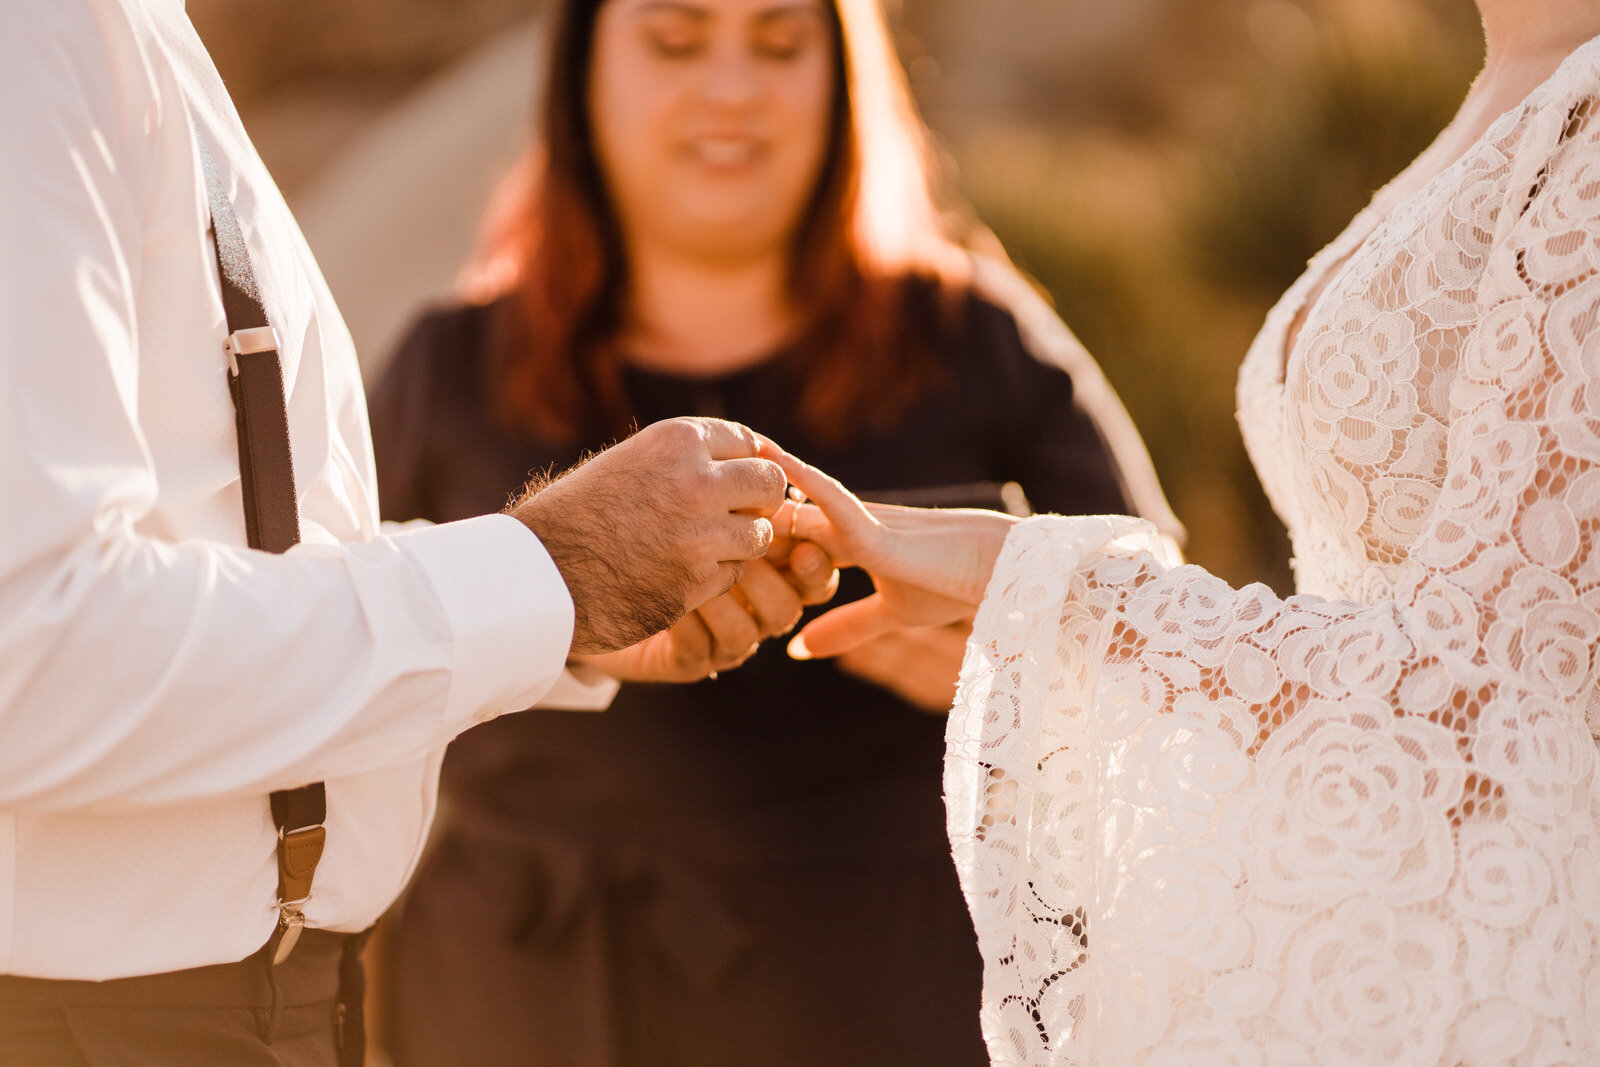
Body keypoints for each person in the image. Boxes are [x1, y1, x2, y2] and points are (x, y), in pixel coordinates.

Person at [773, 0, 1600, 1061]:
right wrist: (1073, 630)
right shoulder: (1523, 70)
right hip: (1380, 928)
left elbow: (1493, 695)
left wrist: (1045, 589)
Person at [0, 3, 821, 1064]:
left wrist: (551, 615)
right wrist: (553, 570)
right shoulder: (43, 37)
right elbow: (36, 653)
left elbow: (205, 539)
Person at [368, 0, 1178, 1063]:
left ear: (843, 78)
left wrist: (1012, 663)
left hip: (895, 987)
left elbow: (1163, 627)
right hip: (529, 991)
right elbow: (345, 651)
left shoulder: (978, 337)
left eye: (780, 42)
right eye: (676, 39)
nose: (732, 88)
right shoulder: (448, 367)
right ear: (579, 79)